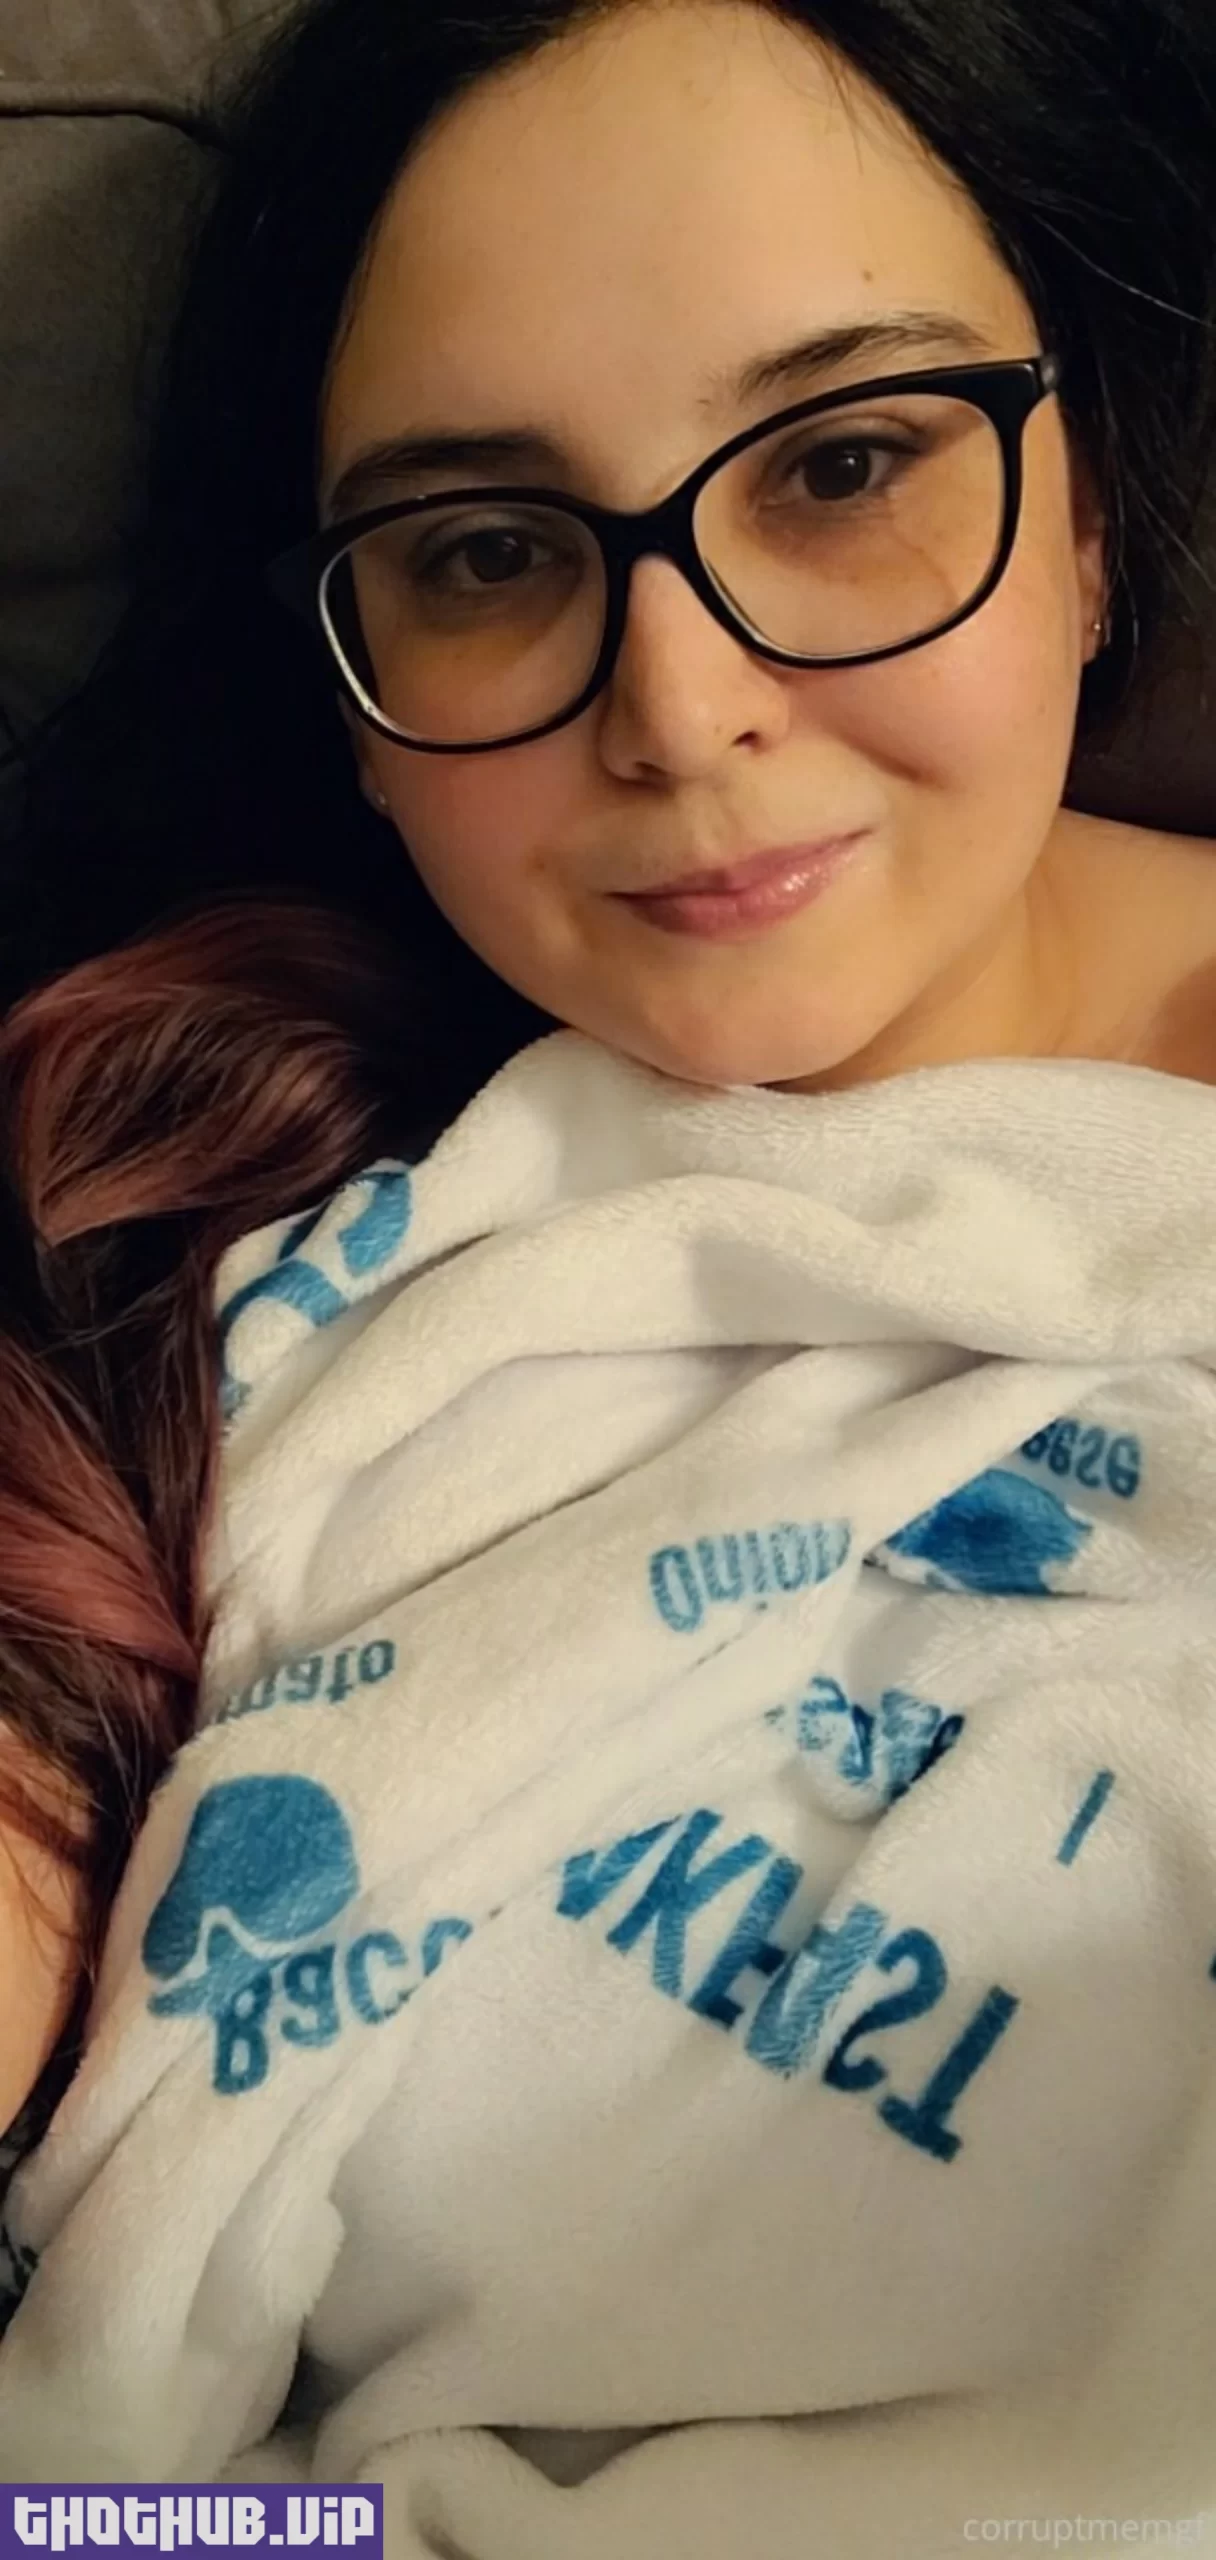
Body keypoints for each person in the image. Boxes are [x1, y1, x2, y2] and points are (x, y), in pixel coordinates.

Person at [2, 0, 1216, 2533]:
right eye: (481, 551)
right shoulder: (197, 1189)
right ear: (350, 688)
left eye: (845, 464)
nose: (679, 704)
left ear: (1091, 505)